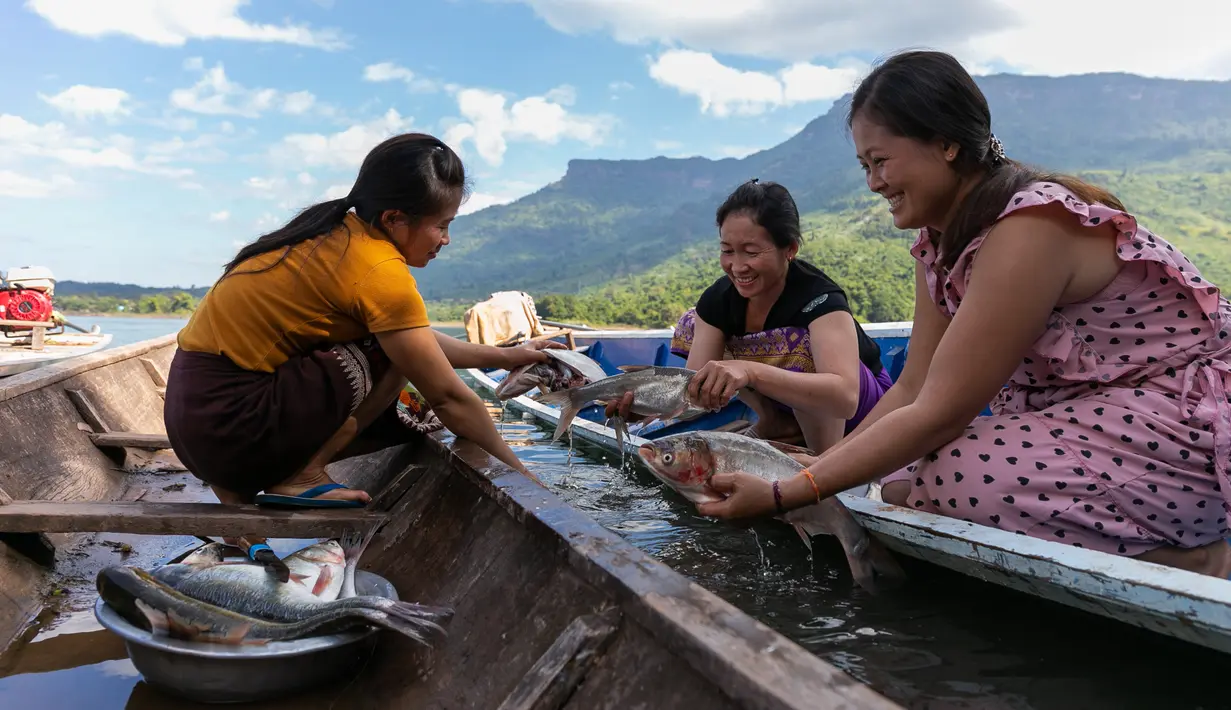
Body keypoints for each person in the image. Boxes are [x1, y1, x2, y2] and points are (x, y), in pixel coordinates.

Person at [694, 50, 1231, 578]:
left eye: (880, 161)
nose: (873, 183)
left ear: (946, 144)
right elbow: (912, 389)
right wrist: (818, 470)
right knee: (901, 481)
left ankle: (1201, 564)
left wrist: (787, 491)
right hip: (1106, 419)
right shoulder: (942, 244)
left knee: (957, 476)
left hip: (1184, 418)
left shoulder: (1028, 229)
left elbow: (941, 412)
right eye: (864, 166)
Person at [164, 132, 555, 511]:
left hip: (197, 424)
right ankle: (305, 475)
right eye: (442, 226)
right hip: (229, 427)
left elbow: (416, 339)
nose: (445, 240)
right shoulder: (378, 270)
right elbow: (448, 396)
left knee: (397, 352)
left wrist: (507, 357)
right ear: (394, 218)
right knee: (397, 362)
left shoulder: (336, 234)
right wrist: (524, 477)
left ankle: (252, 479)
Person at [608, 179, 893, 455]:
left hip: (865, 415)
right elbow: (693, 390)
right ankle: (775, 422)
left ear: (790, 249)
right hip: (791, 406)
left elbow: (845, 400)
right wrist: (642, 405)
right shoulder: (718, 302)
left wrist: (749, 370)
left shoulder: (820, 300)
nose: (737, 266)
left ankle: (824, 457)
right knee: (693, 324)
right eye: (727, 251)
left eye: (751, 252)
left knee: (795, 342)